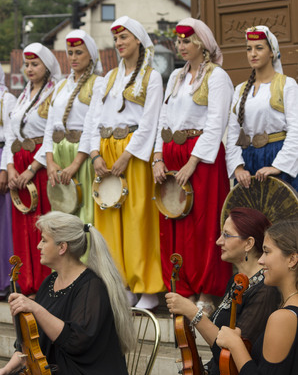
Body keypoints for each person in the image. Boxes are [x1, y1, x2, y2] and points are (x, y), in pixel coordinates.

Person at [0, 211, 135, 375]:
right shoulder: (50, 282)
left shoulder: (91, 286)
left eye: (44, 240)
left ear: (62, 247)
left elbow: (76, 341)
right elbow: (30, 343)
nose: (38, 246)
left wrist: (36, 309)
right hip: (51, 373)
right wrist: (7, 369)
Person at [154, 207, 281, 375]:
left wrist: (193, 312)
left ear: (248, 243)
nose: (218, 241)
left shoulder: (265, 291)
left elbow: (232, 355)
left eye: (227, 235)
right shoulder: (237, 282)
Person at [153, 17, 234, 314]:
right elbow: (162, 120)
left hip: (200, 158)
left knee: (202, 224)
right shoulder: (175, 77)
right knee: (174, 220)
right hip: (172, 153)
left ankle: (207, 292)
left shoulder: (217, 77)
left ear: (201, 43)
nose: (181, 46)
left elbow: (216, 123)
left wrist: (194, 161)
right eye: (179, 41)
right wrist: (158, 158)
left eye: (187, 41)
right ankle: (181, 285)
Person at [87, 16, 165, 309]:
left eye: (125, 38)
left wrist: (127, 155)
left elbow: (150, 123)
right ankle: (120, 284)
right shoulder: (107, 78)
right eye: (116, 39)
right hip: (105, 153)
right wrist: (95, 154)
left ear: (138, 41)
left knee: (137, 219)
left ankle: (147, 287)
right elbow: (93, 120)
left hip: (131, 153)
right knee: (108, 221)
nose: (119, 43)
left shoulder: (151, 77)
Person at [216, 219, 298, 375]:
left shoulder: (283, 318)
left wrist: (235, 345)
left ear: (292, 259)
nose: (261, 260)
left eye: (267, 252)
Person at [4, 43, 61, 295]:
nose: (29, 69)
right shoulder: (22, 95)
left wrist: (32, 167)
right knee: (22, 225)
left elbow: (50, 135)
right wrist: (10, 167)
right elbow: (9, 135)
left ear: (47, 67)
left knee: (41, 224)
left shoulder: (54, 94)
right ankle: (25, 281)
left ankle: (45, 281)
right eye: (26, 64)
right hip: (18, 163)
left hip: (37, 165)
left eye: (34, 64)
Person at [42, 29, 103, 228]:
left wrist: (76, 165)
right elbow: (49, 127)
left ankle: (84, 257)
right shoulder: (60, 86)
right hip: (58, 155)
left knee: (83, 210)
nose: (73, 57)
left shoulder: (98, 83)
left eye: (79, 52)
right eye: (70, 53)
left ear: (91, 55)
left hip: (81, 154)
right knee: (61, 212)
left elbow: (92, 125)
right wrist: (50, 162)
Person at [226, 25, 298, 191]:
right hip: (248, 164)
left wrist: (278, 166)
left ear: (272, 51)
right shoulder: (240, 89)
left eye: (259, 48)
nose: (253, 54)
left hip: (276, 158)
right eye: (249, 49)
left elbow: (295, 130)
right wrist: (238, 167)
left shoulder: (287, 85)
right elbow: (233, 135)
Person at [0, 64, 16, 298]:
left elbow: (10, 135)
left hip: (1, 154)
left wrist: (4, 168)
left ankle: (5, 280)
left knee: (4, 225)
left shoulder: (7, 99)